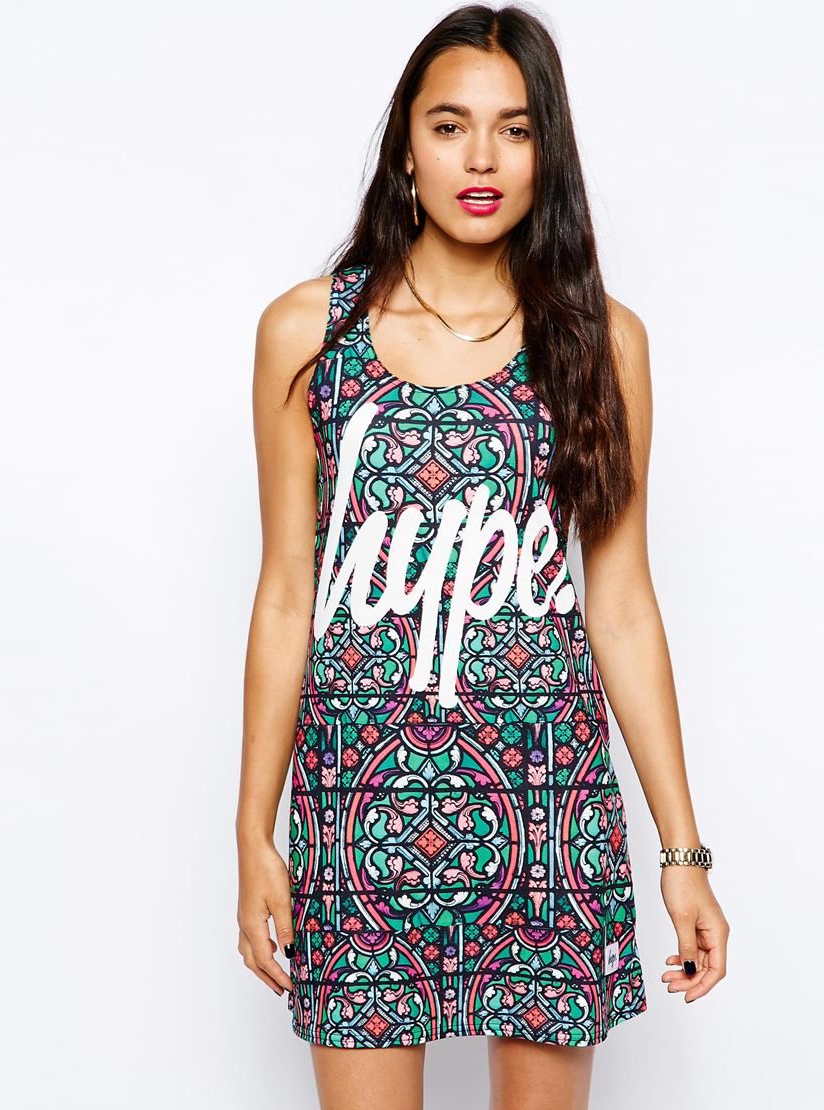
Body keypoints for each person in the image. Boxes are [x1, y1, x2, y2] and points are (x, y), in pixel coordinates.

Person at [235, 4, 730, 1107]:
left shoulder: (601, 342)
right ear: (406, 147)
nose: (481, 158)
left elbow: (622, 604)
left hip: (547, 807)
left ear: (547, 153)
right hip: (358, 811)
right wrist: (252, 832)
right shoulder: (307, 336)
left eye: (515, 129)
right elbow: (284, 599)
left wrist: (683, 852)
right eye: (450, 125)